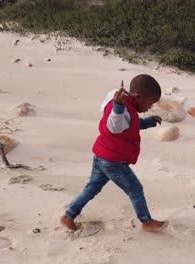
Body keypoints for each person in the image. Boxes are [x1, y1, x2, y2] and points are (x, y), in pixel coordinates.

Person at [60, 74, 168, 232]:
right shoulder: (120, 109)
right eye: (150, 103)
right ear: (138, 97)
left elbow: (129, 124)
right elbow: (115, 126)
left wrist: (148, 122)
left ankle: (68, 216)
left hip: (102, 155)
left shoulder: (127, 107)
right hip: (113, 161)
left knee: (91, 188)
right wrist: (118, 107)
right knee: (135, 189)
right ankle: (146, 221)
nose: (150, 107)